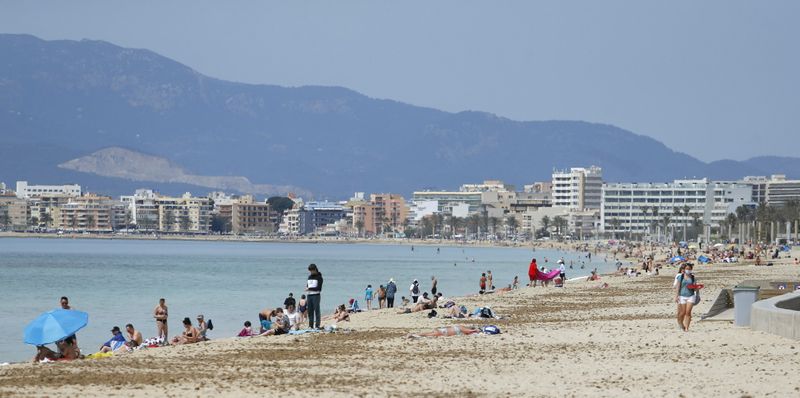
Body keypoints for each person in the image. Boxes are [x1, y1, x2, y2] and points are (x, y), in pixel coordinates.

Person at [675, 263, 697, 332]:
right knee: (682, 313)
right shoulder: (680, 277)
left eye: (689, 269)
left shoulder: (693, 277)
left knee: (688, 312)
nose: (688, 270)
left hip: (691, 296)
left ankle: (687, 328)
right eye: (687, 269)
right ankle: (680, 323)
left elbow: (695, 286)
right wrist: (676, 296)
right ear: (684, 269)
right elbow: (678, 287)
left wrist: (696, 288)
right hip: (682, 296)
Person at [305, 263, 323, 329]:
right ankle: (310, 325)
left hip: (316, 295)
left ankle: (317, 325)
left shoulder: (319, 277)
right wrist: (307, 288)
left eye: (312, 270)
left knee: (316, 310)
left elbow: (319, 288)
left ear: (315, 269)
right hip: (309, 295)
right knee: (310, 311)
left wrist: (309, 288)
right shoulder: (309, 277)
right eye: (310, 271)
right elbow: (308, 285)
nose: (311, 272)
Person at [407, 325, 481, 338]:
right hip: (443, 332)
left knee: (427, 334)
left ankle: (413, 334)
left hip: (443, 331)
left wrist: (473, 331)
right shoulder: (462, 328)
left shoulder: (461, 328)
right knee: (427, 335)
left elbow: (468, 332)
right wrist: (474, 330)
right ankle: (413, 335)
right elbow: (468, 331)